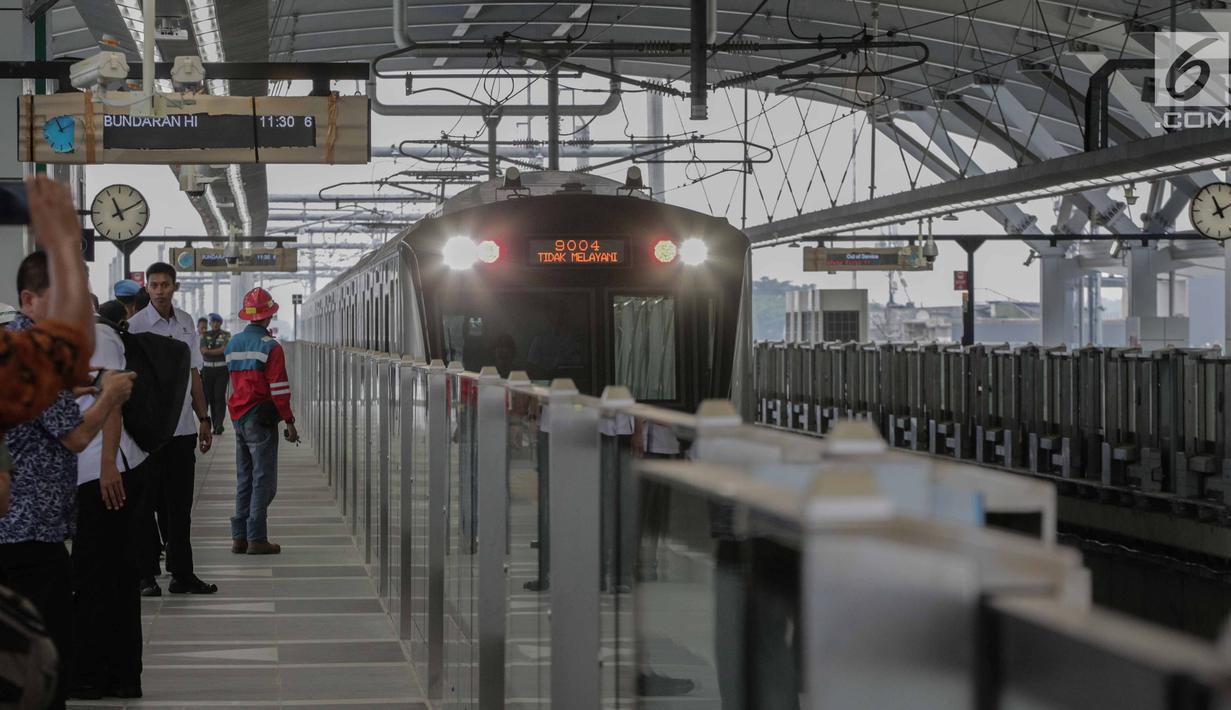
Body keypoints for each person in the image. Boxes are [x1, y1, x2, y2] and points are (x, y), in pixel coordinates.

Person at [0, 251, 136, 710]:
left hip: (15, 530)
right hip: (30, 536)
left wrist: (72, 390)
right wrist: (110, 395)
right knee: (46, 662)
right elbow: (77, 436)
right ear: (29, 300)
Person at [70, 302, 151, 699]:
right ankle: (115, 674)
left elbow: (114, 399)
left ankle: (99, 674)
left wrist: (107, 466)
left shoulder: (95, 336)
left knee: (101, 575)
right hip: (93, 471)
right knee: (107, 574)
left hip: (105, 473)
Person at [127, 262, 217, 596]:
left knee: (179, 506)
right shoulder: (135, 327)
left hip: (181, 430)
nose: (161, 290)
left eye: (166, 284)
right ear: (147, 289)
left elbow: (195, 374)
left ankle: (182, 574)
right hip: (148, 434)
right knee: (144, 504)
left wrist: (204, 418)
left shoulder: (186, 324)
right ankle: (146, 575)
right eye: (155, 285)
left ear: (174, 287)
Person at [225, 288, 298, 555]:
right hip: (261, 416)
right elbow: (279, 389)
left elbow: (234, 382)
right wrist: (289, 420)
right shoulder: (271, 347)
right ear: (270, 315)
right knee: (263, 478)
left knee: (244, 476)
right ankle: (257, 537)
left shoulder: (232, 344)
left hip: (238, 415)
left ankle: (239, 537)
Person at [200, 313, 230, 435]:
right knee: (211, 398)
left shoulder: (226, 335)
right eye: (213, 322)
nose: (216, 324)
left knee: (219, 397)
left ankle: (219, 424)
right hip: (207, 371)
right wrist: (216, 351)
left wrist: (210, 351)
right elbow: (203, 351)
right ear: (211, 323)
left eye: (218, 322)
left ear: (221, 323)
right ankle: (214, 424)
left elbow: (224, 349)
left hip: (221, 370)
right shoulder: (205, 335)